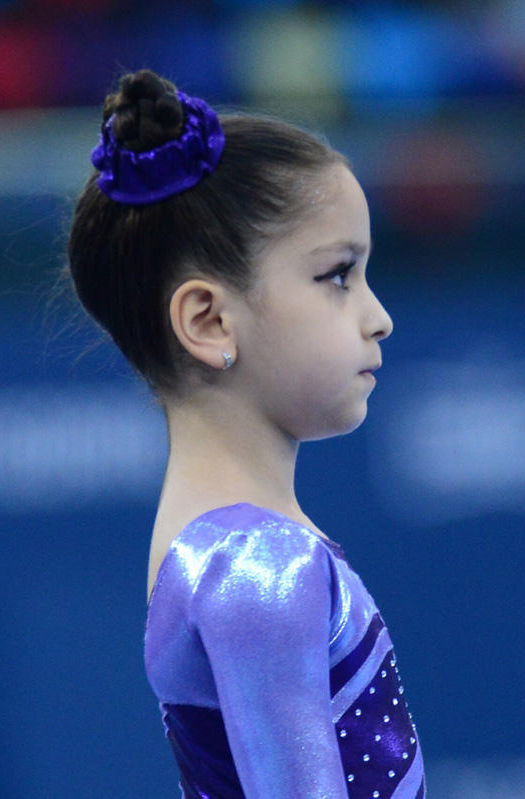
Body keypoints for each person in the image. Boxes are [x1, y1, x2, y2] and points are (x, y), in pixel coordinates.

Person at [64, 69, 425, 798]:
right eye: (338, 276)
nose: (378, 315)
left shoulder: (227, 551)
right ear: (209, 320)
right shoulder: (260, 568)